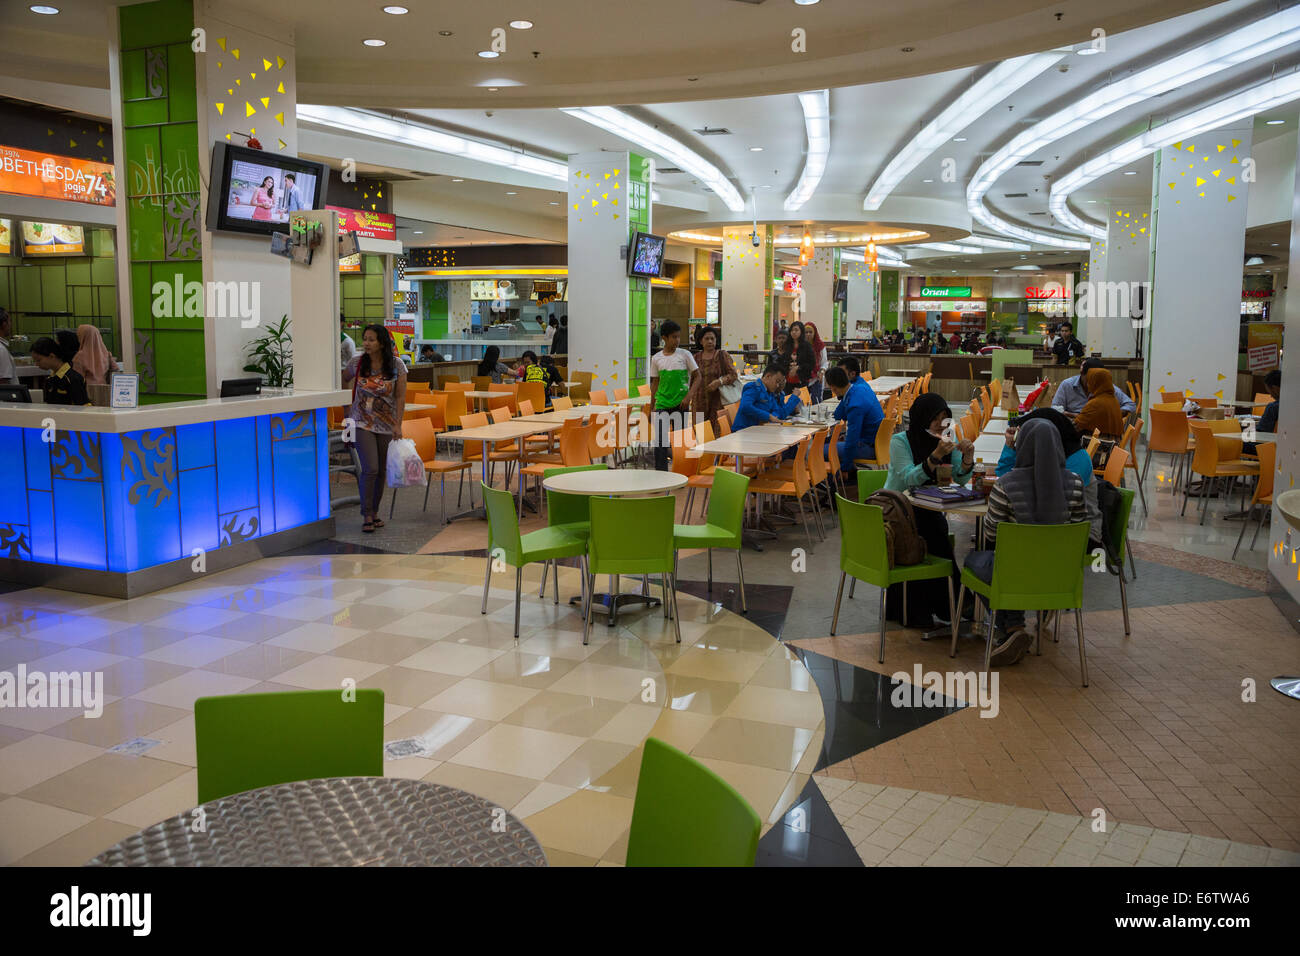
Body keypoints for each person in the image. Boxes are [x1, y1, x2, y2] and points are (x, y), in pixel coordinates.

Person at [964, 418, 1089, 666]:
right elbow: (1079, 528)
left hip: (1013, 576)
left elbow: (990, 534)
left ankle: (1013, 629)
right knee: (1007, 568)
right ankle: (1014, 629)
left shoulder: (1006, 485)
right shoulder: (1075, 483)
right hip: (1060, 578)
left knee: (974, 561)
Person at [883, 392, 975, 628]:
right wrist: (935, 456)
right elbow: (908, 479)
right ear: (923, 417)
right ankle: (955, 600)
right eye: (936, 417)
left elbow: (959, 478)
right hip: (897, 511)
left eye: (945, 417)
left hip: (929, 508)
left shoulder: (945, 438)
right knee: (934, 529)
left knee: (934, 525)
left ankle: (948, 603)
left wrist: (966, 459)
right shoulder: (900, 441)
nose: (940, 423)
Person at [996, 407, 1102, 544]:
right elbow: (1004, 478)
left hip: (1079, 537)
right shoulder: (1043, 456)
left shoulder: (1077, 460)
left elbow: (1052, 501)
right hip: (1049, 534)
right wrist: (1010, 446)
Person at [343, 324, 406, 534]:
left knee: (381, 471)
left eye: (371, 339)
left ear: (381, 342)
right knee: (370, 468)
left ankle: (375, 511)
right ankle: (367, 513)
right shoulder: (357, 363)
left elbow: (400, 396)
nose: (366, 343)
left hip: (386, 423)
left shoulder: (397, 365)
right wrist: (346, 409)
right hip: (361, 421)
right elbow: (343, 380)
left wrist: (398, 423)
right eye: (365, 339)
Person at [648, 319, 699, 471]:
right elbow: (655, 383)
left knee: (679, 442)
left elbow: (698, 377)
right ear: (664, 338)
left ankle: (680, 471)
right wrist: (652, 406)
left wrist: (688, 397)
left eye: (678, 337)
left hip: (681, 404)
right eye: (674, 337)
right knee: (661, 442)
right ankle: (661, 476)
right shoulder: (656, 358)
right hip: (662, 403)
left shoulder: (685, 355)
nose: (677, 340)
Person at [826, 366, 884, 472]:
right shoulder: (861, 388)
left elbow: (852, 441)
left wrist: (845, 469)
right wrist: (842, 397)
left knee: (817, 451)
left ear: (833, 388)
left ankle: (838, 480)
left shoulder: (855, 406)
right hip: (878, 444)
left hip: (868, 447)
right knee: (834, 443)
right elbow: (838, 415)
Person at [689, 325, 737, 430]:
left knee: (718, 431)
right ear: (701, 341)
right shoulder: (695, 358)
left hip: (718, 400)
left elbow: (733, 375)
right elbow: (690, 379)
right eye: (707, 339)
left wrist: (719, 381)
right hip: (699, 403)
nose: (710, 341)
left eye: (712, 338)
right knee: (700, 433)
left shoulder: (722, 355)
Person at [1052, 358, 1136, 417]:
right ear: (1082, 373)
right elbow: (1055, 407)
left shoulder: (1106, 387)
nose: (1094, 381)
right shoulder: (1067, 384)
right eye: (1090, 377)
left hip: (1098, 430)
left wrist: (1113, 414)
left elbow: (1130, 404)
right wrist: (1072, 415)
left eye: (1098, 378)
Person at [733, 363, 801, 430]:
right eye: (777, 381)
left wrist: (775, 417)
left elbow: (778, 413)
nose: (777, 385)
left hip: (759, 431)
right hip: (743, 431)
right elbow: (745, 406)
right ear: (768, 376)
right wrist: (769, 417)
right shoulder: (753, 387)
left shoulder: (770, 393)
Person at [30, 336, 91, 405]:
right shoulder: (50, 379)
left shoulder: (73, 379)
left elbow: (83, 408)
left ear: (52, 356)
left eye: (38, 360)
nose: (36, 364)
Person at [1072, 366, 1125, 440]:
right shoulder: (1112, 399)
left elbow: (1075, 427)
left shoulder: (1096, 403)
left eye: (1089, 381)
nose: (1087, 384)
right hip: (1113, 445)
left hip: (1101, 446)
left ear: (1096, 382)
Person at [1244, 369, 1281, 456]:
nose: (1271, 396)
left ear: (1275, 388)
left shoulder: (1273, 407)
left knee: (1240, 442)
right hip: (1284, 448)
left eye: (1270, 392)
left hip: (1266, 448)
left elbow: (1261, 434)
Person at [782, 320, 817, 395]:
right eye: (792, 330)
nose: (793, 332)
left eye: (796, 330)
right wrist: (789, 366)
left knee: (801, 404)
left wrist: (798, 367)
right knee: (787, 401)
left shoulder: (807, 346)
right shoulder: (787, 345)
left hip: (802, 380)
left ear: (801, 331)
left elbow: (812, 363)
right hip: (787, 381)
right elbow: (783, 360)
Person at [803, 321, 829, 404]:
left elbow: (824, 362)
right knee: (803, 404)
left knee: (816, 402)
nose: (808, 334)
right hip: (803, 379)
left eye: (810, 332)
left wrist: (822, 371)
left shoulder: (820, 345)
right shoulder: (800, 346)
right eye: (806, 332)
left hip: (816, 378)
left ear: (815, 333)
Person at [0, 308, 16, 385]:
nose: (11, 325)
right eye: (10, 321)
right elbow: (3, 381)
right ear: (4, 323)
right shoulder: (1, 349)